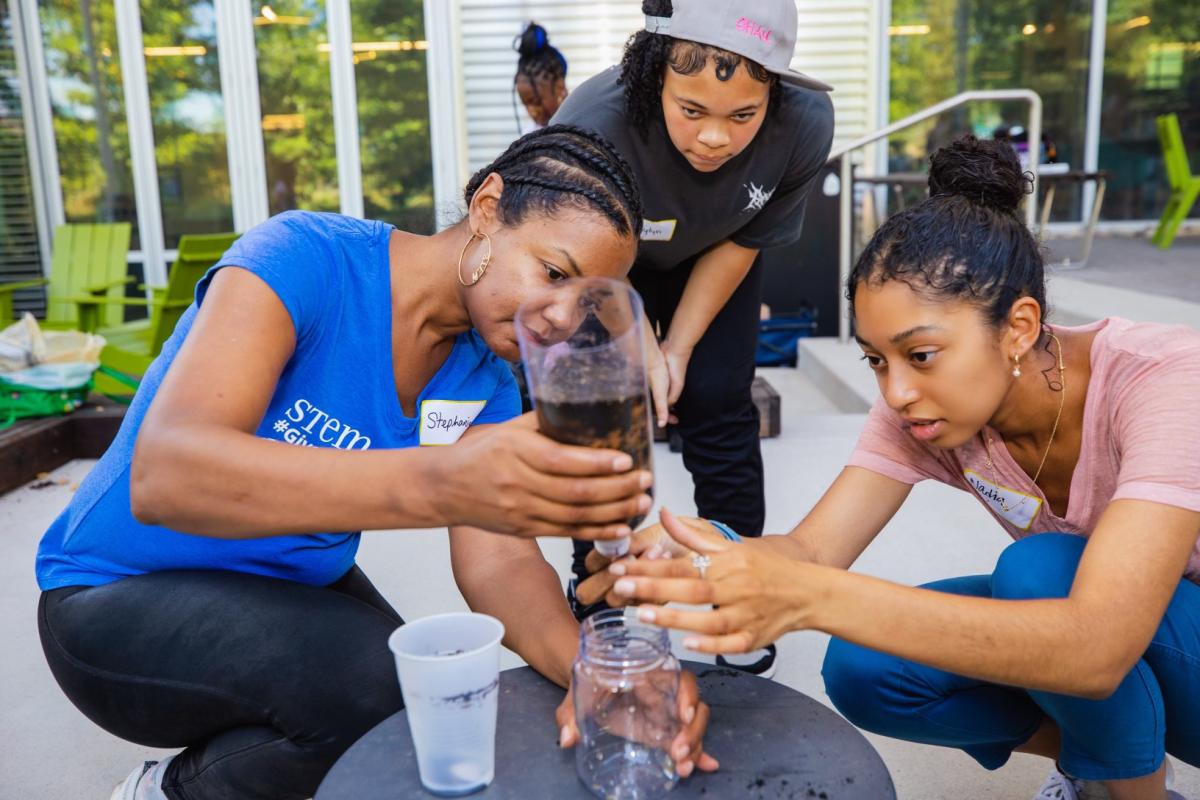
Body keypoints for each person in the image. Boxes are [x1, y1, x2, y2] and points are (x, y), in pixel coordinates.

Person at [34, 125, 715, 800]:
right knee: (370, 689)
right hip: (111, 597)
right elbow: (167, 475)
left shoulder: (484, 382)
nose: (563, 319)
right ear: (487, 208)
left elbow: (500, 563)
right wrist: (444, 483)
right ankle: (166, 794)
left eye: (585, 303)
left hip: (283, 588)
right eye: (554, 273)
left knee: (421, 703)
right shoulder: (304, 259)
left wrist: (594, 676)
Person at [586, 136, 1200, 800]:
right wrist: (706, 556)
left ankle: (1129, 791)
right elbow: (811, 552)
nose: (896, 390)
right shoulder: (923, 409)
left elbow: (1097, 648)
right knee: (865, 664)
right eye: (876, 360)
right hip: (1131, 657)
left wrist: (812, 600)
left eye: (922, 354)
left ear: (1019, 327)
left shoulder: (1164, 379)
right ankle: (1098, 759)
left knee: (1038, 570)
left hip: (1147, 648)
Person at [550, 0, 835, 677]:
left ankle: (736, 589)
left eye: (742, 116)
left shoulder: (804, 123)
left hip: (713, 256)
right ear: (656, 80)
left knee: (717, 401)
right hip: (597, 267)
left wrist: (676, 349)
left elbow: (742, 240)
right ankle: (604, 592)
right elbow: (579, 259)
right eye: (692, 110)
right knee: (606, 416)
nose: (715, 138)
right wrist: (641, 345)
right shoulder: (595, 123)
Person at [513, 22, 568, 133]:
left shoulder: (580, 126)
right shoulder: (529, 136)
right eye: (526, 104)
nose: (532, 112)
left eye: (536, 102)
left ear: (560, 87)